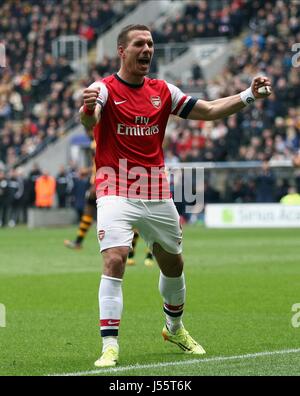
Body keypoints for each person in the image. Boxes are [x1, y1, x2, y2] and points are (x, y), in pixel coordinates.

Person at [79, 24, 272, 368]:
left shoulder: (162, 91)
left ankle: (175, 328)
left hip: (155, 190)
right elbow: (91, 120)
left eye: (151, 44)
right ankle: (109, 346)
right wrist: (86, 111)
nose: (147, 49)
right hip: (114, 188)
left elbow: (210, 110)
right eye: (140, 43)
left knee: (174, 264)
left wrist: (249, 96)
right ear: (122, 51)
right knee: (115, 259)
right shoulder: (103, 88)